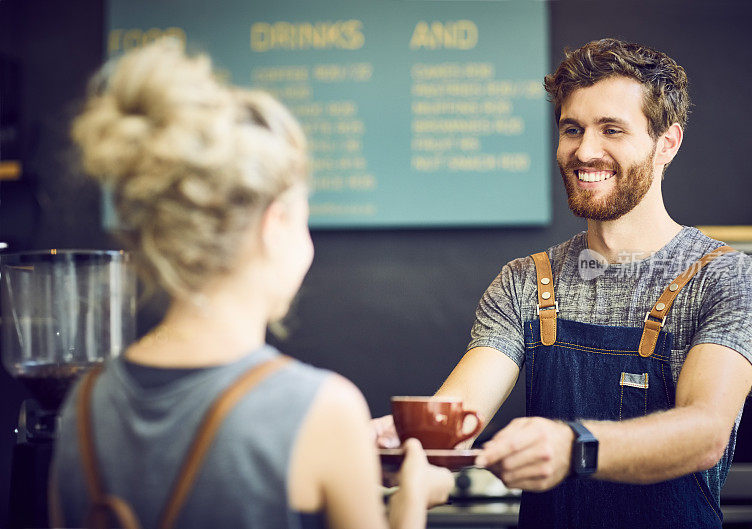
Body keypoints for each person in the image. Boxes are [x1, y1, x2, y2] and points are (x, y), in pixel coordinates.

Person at [50, 39, 453, 529]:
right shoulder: (321, 409)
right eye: (305, 222)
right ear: (275, 225)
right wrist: (410, 505)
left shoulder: (85, 404)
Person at [374, 38, 752, 528]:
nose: (585, 151)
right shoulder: (525, 282)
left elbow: (705, 432)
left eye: (612, 130)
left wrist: (574, 446)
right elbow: (456, 419)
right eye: (572, 129)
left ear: (667, 143)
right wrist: (401, 438)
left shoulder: (728, 278)